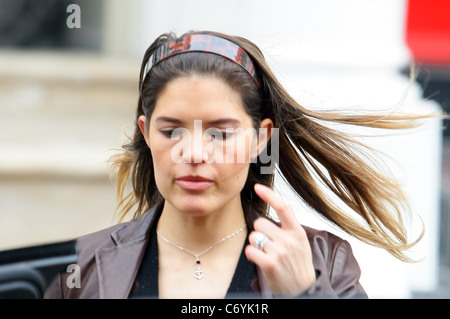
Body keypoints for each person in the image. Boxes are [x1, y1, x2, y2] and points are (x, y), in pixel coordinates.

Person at [44, 30, 434, 299]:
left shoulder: (322, 262)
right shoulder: (82, 270)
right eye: (172, 131)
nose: (194, 153)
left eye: (220, 133)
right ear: (146, 134)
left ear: (261, 139)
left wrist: (303, 292)